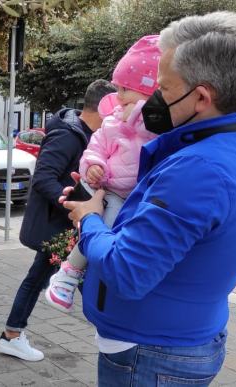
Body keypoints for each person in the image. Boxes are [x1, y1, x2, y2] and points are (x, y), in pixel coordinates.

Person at [63, 12, 236, 385]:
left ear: (203, 97)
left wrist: (89, 218)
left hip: (150, 354)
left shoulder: (199, 169)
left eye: (165, 88)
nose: (154, 99)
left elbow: (127, 272)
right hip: (176, 339)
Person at [0, 80, 115, 362]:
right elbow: (43, 178)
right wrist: (73, 205)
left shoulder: (83, 133)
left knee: (46, 277)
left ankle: (11, 334)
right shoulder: (69, 134)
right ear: (102, 108)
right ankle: (112, 335)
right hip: (59, 224)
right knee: (85, 278)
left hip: (66, 223)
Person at [45, 35, 161, 311]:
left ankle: (76, 278)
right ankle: (68, 275)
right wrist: (94, 166)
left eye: (125, 90)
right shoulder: (112, 122)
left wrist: (142, 110)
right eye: (118, 90)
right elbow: (94, 150)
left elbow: (149, 128)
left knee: (110, 234)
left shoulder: (154, 123)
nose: (118, 97)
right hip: (112, 192)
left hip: (138, 196)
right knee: (102, 227)